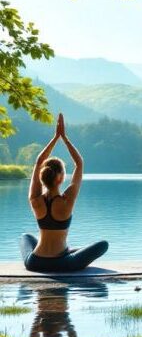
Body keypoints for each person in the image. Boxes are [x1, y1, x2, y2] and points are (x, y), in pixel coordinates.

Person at [20, 113, 108, 272]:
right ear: (60, 178)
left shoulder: (35, 200)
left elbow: (39, 162)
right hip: (63, 263)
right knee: (103, 245)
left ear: (43, 176)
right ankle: (68, 250)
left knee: (26, 237)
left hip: (34, 263)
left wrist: (54, 138)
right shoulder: (67, 200)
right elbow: (79, 163)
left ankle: (68, 250)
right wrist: (64, 138)